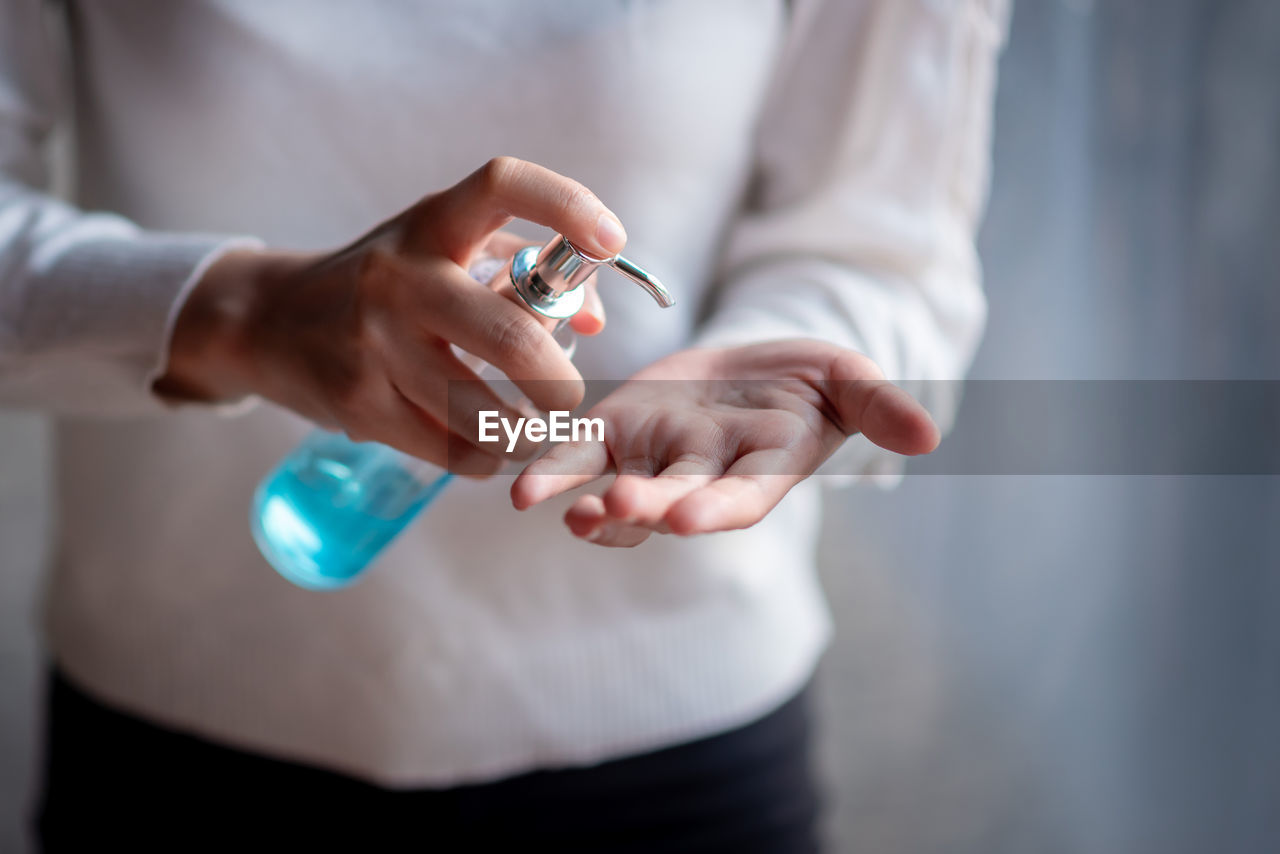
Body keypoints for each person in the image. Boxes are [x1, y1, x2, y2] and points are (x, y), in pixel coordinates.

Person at [0, 0, 1007, 850]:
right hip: (177, 729)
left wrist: (786, 363)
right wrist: (242, 313)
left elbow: (880, 247)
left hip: (673, 755)